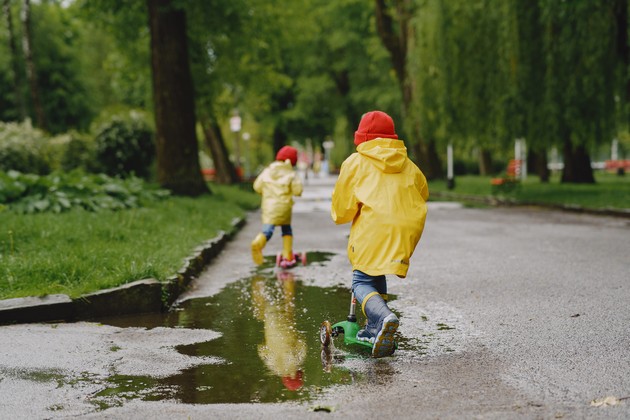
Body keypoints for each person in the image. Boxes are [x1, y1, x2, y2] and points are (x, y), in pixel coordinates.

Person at [331, 110, 429, 358]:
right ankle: (375, 328)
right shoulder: (408, 164)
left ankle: (383, 317)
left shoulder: (356, 162)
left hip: (374, 230)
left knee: (361, 281)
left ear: (362, 138)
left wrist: (347, 211)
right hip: (405, 231)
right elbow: (423, 191)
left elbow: (342, 209)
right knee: (376, 270)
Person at [251, 145, 304, 268]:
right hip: (284, 207)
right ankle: (287, 254)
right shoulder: (291, 173)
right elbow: (298, 190)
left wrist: (267, 192)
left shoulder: (267, 170)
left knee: (268, 230)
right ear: (292, 161)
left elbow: (257, 186)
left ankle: (258, 242)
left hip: (269, 207)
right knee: (286, 230)